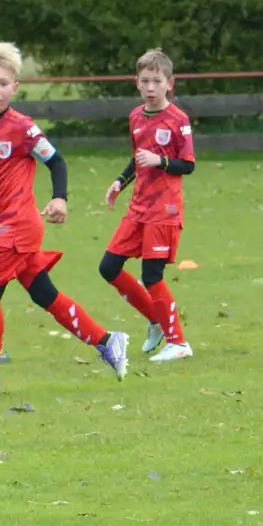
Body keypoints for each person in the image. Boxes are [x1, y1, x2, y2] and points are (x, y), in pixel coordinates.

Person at [0, 40, 129, 394]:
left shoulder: (22, 128)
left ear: (15, 88)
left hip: (18, 225)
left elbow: (56, 161)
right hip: (3, 226)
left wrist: (60, 198)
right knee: (45, 294)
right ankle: (107, 342)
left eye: (3, 84)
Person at [98, 48, 195, 362]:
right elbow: (137, 159)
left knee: (152, 275)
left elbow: (188, 164)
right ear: (136, 84)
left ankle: (178, 342)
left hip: (164, 210)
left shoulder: (178, 120)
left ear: (170, 83)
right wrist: (119, 182)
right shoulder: (136, 116)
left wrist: (161, 161)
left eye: (157, 80)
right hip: (138, 208)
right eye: (145, 81)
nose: (151, 87)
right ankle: (155, 321)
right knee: (109, 267)